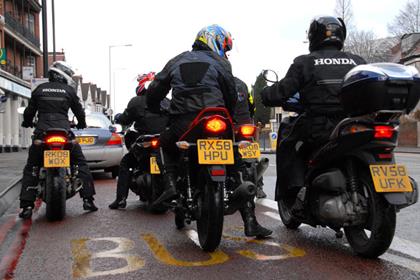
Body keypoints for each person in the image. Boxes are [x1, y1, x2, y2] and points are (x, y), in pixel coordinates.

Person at [147, 24, 271, 237]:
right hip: (216, 119)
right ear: (214, 40)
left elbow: (156, 88)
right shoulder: (221, 63)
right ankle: (250, 221)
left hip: (183, 123)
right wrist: (229, 115)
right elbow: (231, 94)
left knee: (163, 145)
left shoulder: (177, 60)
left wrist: (153, 105)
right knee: (237, 162)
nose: (225, 50)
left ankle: (170, 186)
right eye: (225, 45)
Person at [260, 16, 366, 213]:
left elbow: (283, 91)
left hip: (320, 125)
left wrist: (266, 94)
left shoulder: (305, 62)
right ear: (341, 35)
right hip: (357, 123)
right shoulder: (357, 61)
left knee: (288, 144)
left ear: (313, 36)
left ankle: (293, 194)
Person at [19, 61, 98, 219]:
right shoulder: (69, 91)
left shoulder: (39, 90)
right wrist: (81, 124)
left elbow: (29, 111)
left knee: (32, 166)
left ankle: (27, 206)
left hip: (42, 133)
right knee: (80, 162)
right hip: (64, 132)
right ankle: (88, 199)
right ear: (62, 75)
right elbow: (79, 111)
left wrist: (27, 122)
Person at [108, 72, 169, 209]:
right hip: (163, 141)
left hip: (145, 141)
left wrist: (118, 118)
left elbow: (125, 119)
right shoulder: (167, 102)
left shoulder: (136, 101)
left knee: (125, 163)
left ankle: (121, 199)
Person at [234, 77, 267, 199]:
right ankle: (258, 187)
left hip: (221, 124)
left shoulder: (210, 81)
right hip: (242, 122)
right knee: (250, 154)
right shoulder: (241, 83)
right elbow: (251, 105)